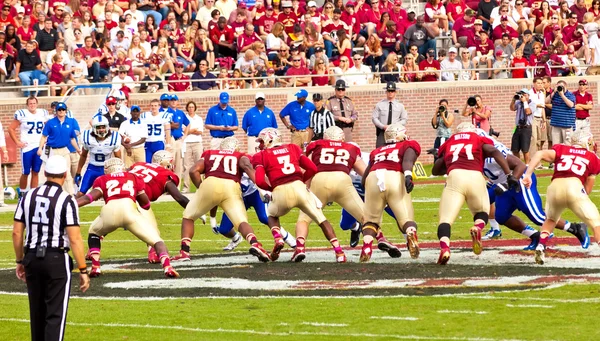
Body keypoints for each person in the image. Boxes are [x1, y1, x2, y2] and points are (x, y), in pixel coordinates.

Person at [13, 155, 90, 341]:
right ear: (65, 175)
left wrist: (20, 260)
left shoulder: (28, 196)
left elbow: (17, 232)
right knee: (55, 314)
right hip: (56, 258)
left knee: (37, 313)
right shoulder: (66, 200)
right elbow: (75, 238)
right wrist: (83, 269)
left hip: (31, 256)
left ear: (45, 173)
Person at [478, 129, 589, 249]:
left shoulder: (492, 155)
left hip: (520, 181)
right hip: (504, 184)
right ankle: (535, 236)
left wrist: (506, 184)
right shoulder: (481, 154)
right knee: (501, 216)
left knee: (538, 217)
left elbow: (519, 165)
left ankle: (575, 228)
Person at [252, 128, 347, 263]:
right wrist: (302, 181)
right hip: (299, 188)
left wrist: (271, 188)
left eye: (262, 141)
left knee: (272, 216)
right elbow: (313, 168)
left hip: (280, 190)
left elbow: (260, 181)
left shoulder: (261, 155)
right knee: (321, 219)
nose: (260, 145)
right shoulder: (292, 148)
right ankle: (339, 252)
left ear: (269, 139)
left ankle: (278, 238)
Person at [172, 137, 272, 262]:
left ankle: (184, 252)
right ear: (236, 147)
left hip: (210, 183)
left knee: (188, 216)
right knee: (241, 221)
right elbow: (247, 167)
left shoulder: (209, 153)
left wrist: (201, 187)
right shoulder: (239, 155)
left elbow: (193, 171)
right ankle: (255, 244)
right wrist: (262, 190)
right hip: (231, 186)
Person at [77, 158, 179, 278]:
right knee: (157, 241)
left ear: (107, 170)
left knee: (94, 233)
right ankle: (167, 267)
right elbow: (145, 204)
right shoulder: (133, 177)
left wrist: (71, 203)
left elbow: (89, 198)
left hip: (109, 211)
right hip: (129, 210)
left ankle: (96, 266)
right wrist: (144, 205)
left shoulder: (102, 179)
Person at [432, 122, 517, 265]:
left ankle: (445, 248)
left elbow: (435, 171)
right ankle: (477, 228)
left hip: (455, 177)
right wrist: (508, 174)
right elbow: (495, 152)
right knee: (482, 211)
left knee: (445, 219)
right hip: (475, 176)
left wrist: (447, 160)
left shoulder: (450, 141)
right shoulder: (478, 138)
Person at [523, 130, 599, 265]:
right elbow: (587, 188)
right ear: (587, 141)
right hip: (574, 186)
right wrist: (578, 201)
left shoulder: (562, 149)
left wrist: (528, 174)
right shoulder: (592, 157)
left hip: (554, 187)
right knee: (596, 223)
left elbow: (539, 154)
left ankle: (541, 246)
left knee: (551, 219)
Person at [294, 126, 368, 262]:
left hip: (319, 180)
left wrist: (305, 188)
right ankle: (376, 241)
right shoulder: (350, 148)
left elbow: (308, 168)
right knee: (366, 217)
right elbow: (366, 173)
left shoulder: (316, 146)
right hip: (342, 181)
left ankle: (300, 247)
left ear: (325, 137)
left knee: (304, 218)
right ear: (342, 137)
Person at [360, 123, 420, 262]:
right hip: (394, 176)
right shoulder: (408, 144)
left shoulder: (377, 151)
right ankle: (411, 235)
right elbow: (407, 160)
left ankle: (367, 247)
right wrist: (407, 175)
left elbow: (365, 178)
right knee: (406, 219)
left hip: (373, 178)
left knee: (371, 220)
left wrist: (370, 192)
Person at [128, 151, 190, 262]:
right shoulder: (164, 174)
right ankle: (154, 254)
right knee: (153, 231)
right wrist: (194, 209)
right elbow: (179, 197)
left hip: (118, 196)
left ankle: (94, 251)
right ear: (166, 162)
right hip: (137, 199)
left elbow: (125, 174)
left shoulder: (139, 165)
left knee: (105, 224)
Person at [8, 96, 50, 198]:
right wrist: (17, 142)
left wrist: (47, 139)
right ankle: (22, 194)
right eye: (30, 104)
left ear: (37, 104)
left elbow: (48, 127)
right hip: (27, 147)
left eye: (34, 103)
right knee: (25, 172)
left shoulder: (43, 113)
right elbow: (11, 129)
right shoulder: (22, 114)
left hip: (39, 146)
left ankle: (33, 195)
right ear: (27, 105)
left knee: (36, 171)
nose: (32, 105)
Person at [38, 102, 80, 195]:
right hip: (52, 150)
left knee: (67, 172)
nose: (61, 111)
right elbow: (44, 136)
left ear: (66, 111)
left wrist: (78, 149)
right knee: (52, 172)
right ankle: (55, 193)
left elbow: (72, 138)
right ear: (56, 111)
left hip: (64, 149)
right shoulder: (50, 123)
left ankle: (70, 194)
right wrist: (40, 148)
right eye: (59, 110)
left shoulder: (70, 122)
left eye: (63, 110)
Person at [75, 115, 122, 197]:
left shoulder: (114, 138)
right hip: (92, 168)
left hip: (108, 169)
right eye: (98, 127)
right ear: (93, 128)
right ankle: (71, 209)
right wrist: (78, 172)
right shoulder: (87, 138)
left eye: (103, 127)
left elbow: (118, 159)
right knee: (81, 193)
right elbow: (83, 156)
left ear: (107, 127)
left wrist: (119, 172)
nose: (101, 130)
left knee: (113, 195)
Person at [372, 82, 408, 147]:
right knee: (380, 151)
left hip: (396, 134)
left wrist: (393, 126)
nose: (390, 93)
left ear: (395, 92)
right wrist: (383, 126)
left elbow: (404, 119)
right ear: (386, 92)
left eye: (392, 91)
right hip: (382, 133)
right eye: (389, 91)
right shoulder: (379, 105)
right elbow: (374, 118)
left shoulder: (400, 106)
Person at [167, 94, 190, 187]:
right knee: (169, 163)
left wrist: (185, 135)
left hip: (179, 140)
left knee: (179, 164)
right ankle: (168, 185)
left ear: (177, 102)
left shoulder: (180, 113)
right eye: (171, 100)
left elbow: (188, 123)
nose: (173, 102)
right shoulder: (166, 112)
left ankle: (177, 185)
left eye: (174, 100)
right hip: (170, 139)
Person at [182, 101, 204, 193]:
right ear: (187, 108)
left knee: (199, 165)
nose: (191, 109)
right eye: (189, 107)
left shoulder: (198, 119)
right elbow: (183, 131)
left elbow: (200, 131)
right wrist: (192, 130)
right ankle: (186, 187)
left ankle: (201, 187)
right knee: (186, 166)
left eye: (192, 107)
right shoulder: (184, 118)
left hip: (197, 143)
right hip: (186, 143)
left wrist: (189, 131)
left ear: (195, 108)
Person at [141, 99, 172, 163]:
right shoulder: (145, 116)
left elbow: (167, 131)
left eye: (155, 105)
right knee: (147, 163)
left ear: (159, 106)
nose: (153, 107)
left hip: (158, 142)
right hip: (148, 142)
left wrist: (168, 144)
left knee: (159, 162)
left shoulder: (164, 115)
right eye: (152, 106)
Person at [547, 79, 576, 145]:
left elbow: (571, 105)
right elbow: (546, 101)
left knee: (567, 145)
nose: (561, 88)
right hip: (556, 125)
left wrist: (562, 95)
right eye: (559, 86)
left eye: (562, 86)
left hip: (567, 126)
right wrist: (554, 92)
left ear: (565, 87)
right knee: (556, 146)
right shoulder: (555, 95)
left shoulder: (570, 95)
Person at [510, 88, 534, 163]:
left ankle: (527, 165)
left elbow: (528, 112)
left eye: (524, 95)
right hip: (518, 127)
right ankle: (518, 163)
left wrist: (525, 102)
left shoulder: (532, 104)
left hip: (526, 128)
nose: (522, 96)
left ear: (528, 96)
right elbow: (512, 108)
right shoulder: (518, 103)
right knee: (515, 149)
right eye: (521, 94)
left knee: (525, 149)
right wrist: (513, 100)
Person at [528, 77, 547, 158]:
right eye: (538, 83)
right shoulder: (530, 93)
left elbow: (542, 107)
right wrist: (536, 105)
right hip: (532, 117)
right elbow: (528, 106)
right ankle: (533, 160)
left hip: (539, 118)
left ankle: (538, 160)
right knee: (534, 139)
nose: (540, 85)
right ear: (534, 83)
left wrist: (544, 120)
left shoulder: (542, 94)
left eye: (541, 83)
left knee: (539, 140)